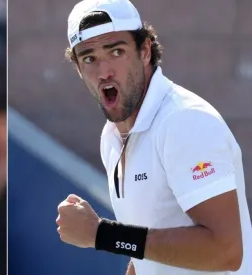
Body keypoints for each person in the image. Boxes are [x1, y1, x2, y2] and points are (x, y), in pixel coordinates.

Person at [56, 0, 252, 274]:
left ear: (145, 50)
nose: (104, 72)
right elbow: (146, 253)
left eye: (116, 52)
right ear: (78, 69)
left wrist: (103, 234)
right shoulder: (111, 137)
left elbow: (227, 252)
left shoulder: (185, 121)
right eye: (89, 58)